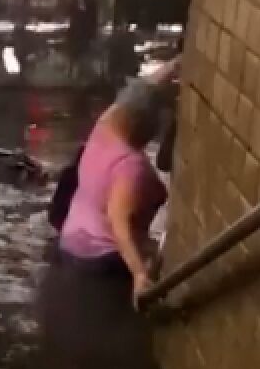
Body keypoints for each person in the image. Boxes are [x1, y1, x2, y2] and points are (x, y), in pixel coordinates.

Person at [57, 57, 179, 302]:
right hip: (104, 260)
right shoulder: (130, 166)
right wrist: (139, 274)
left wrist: (175, 66)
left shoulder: (103, 130)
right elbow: (118, 222)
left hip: (70, 244)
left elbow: (136, 97)